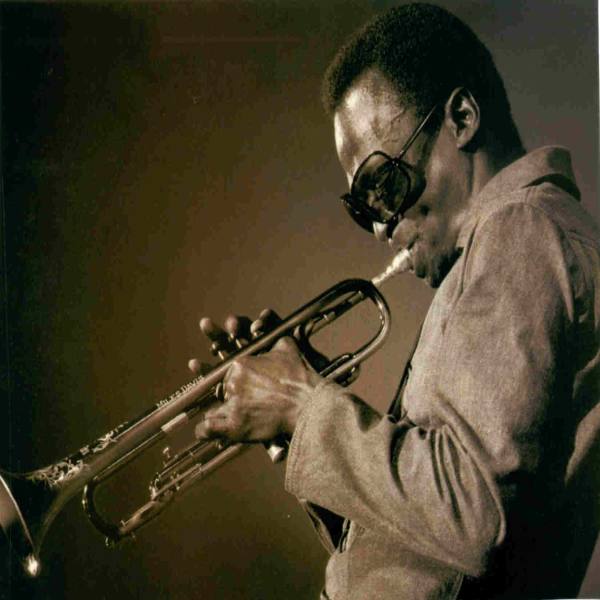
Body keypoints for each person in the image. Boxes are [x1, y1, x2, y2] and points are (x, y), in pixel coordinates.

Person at [190, 4, 600, 599]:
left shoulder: (521, 231)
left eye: (381, 184)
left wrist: (304, 406)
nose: (381, 225)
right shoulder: (515, 241)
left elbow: (474, 517)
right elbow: (428, 556)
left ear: (462, 118)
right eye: (362, 208)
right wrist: (298, 429)